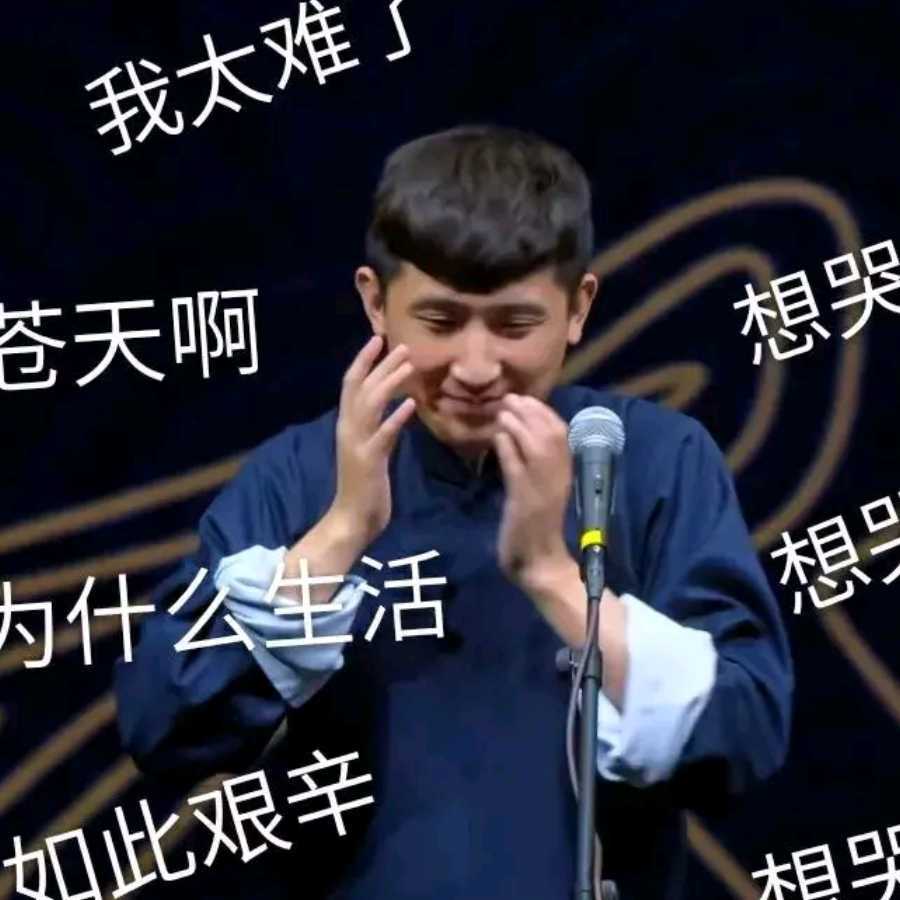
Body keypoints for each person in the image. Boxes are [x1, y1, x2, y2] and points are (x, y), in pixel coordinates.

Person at [115, 124, 793, 899]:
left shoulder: (655, 460)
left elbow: (746, 735)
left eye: (514, 325)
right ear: (375, 301)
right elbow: (162, 725)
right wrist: (341, 531)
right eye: (439, 322)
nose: (475, 367)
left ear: (578, 308)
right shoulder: (300, 475)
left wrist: (554, 577)